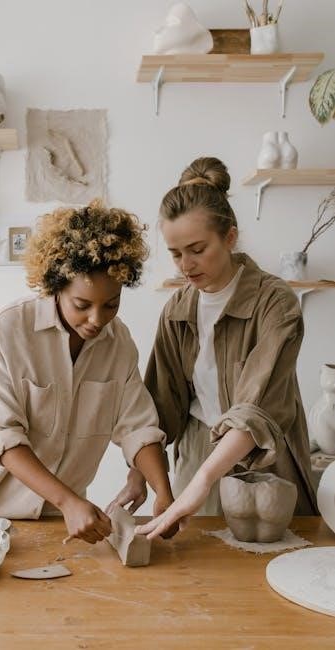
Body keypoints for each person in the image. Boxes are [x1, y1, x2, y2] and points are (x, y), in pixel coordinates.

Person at [0, 201, 176, 544]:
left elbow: (137, 427)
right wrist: (68, 501)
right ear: (56, 286)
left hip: (59, 516)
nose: (97, 319)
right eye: (82, 305)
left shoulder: (119, 343)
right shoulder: (9, 329)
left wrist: (164, 494)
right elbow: (4, 436)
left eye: (111, 304)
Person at [114, 157, 317, 539]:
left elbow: (258, 406)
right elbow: (159, 404)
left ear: (230, 237)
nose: (185, 265)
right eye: (175, 253)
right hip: (198, 452)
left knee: (271, 562)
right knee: (198, 563)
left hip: (264, 459)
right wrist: (138, 475)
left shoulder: (275, 303)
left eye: (197, 249)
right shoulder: (177, 310)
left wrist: (204, 480)